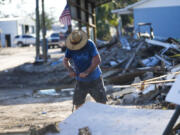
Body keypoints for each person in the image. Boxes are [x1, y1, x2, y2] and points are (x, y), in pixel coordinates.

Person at [63, 30, 107, 109]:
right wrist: (70, 70)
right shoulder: (71, 47)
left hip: (94, 78)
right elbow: (65, 60)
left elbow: (97, 60)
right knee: (78, 104)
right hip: (80, 80)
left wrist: (87, 72)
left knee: (102, 103)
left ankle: (103, 119)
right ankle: (80, 120)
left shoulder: (89, 44)